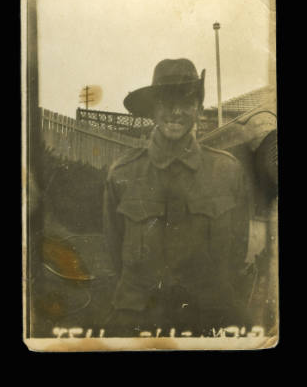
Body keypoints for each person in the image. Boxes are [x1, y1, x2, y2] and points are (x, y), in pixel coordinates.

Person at [103, 59, 250, 337]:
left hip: (208, 318)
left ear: (198, 107)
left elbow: (237, 250)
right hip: (139, 319)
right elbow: (113, 249)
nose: (175, 111)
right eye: (165, 101)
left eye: (186, 100)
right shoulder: (122, 173)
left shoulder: (227, 171)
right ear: (153, 110)